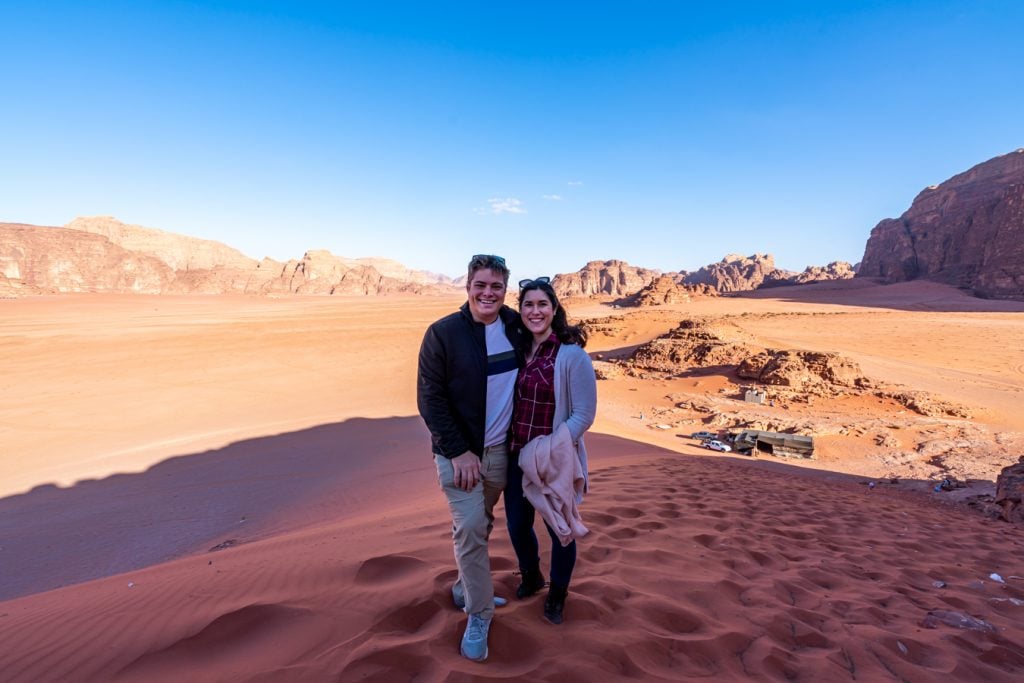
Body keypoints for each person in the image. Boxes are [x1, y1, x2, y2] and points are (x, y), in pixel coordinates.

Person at [416, 254, 525, 662]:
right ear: (468, 286)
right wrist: (459, 451)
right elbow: (430, 398)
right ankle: (478, 613)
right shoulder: (443, 334)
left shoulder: (515, 326)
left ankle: (465, 586)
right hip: (457, 454)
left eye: (496, 286)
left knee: (482, 524)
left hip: (500, 453)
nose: (488, 293)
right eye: (481, 285)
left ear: (504, 291)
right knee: (471, 527)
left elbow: (553, 337)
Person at [505, 276, 597, 625]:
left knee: (560, 527)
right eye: (528, 304)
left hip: (552, 458)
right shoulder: (517, 350)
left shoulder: (571, 356)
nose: (535, 311)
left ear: (554, 309)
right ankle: (532, 575)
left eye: (542, 304)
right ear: (521, 310)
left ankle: (558, 593)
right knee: (517, 524)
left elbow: (583, 415)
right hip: (515, 454)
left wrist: (551, 446)